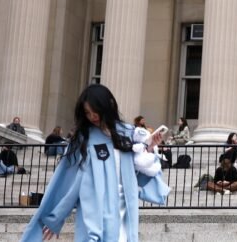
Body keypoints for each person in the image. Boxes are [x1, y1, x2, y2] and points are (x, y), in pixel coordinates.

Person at [22, 84, 170, 241]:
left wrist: (149, 148)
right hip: (96, 213)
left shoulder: (128, 133)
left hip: (125, 209)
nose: (92, 116)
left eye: (95, 110)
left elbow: (136, 174)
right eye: (87, 113)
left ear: (107, 105)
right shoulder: (84, 139)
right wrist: (55, 217)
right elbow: (68, 182)